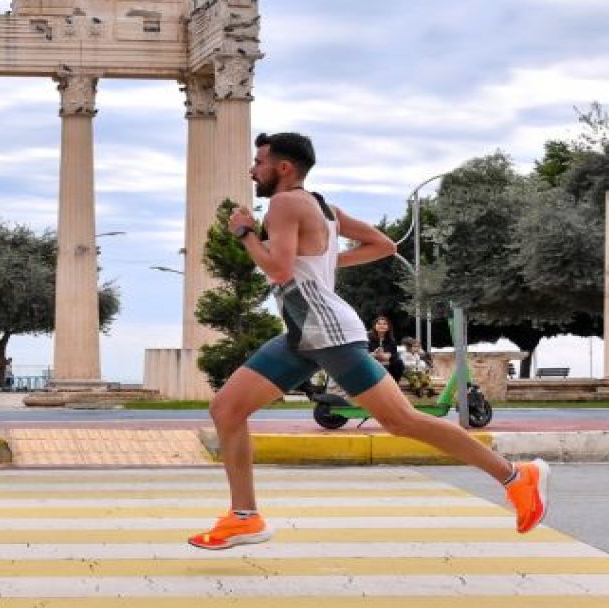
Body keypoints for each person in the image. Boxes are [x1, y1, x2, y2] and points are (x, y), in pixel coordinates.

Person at [189, 132, 549, 550]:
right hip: (302, 335)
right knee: (227, 409)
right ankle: (244, 517)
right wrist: (325, 261)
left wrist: (245, 234)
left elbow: (280, 270)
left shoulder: (283, 204)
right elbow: (382, 245)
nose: (252, 170)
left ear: (284, 168)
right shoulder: (324, 208)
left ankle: (516, 476)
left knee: (403, 421)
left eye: (259, 162)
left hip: (329, 335)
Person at [367, 315, 405, 384]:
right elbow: (363, 353)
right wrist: (374, 354)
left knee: (398, 363)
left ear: (388, 327)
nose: (382, 326)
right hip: (371, 361)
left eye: (384, 324)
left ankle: (394, 384)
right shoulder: (368, 338)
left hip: (387, 363)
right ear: (374, 326)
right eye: (379, 324)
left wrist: (388, 355)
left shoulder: (391, 341)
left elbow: (393, 354)